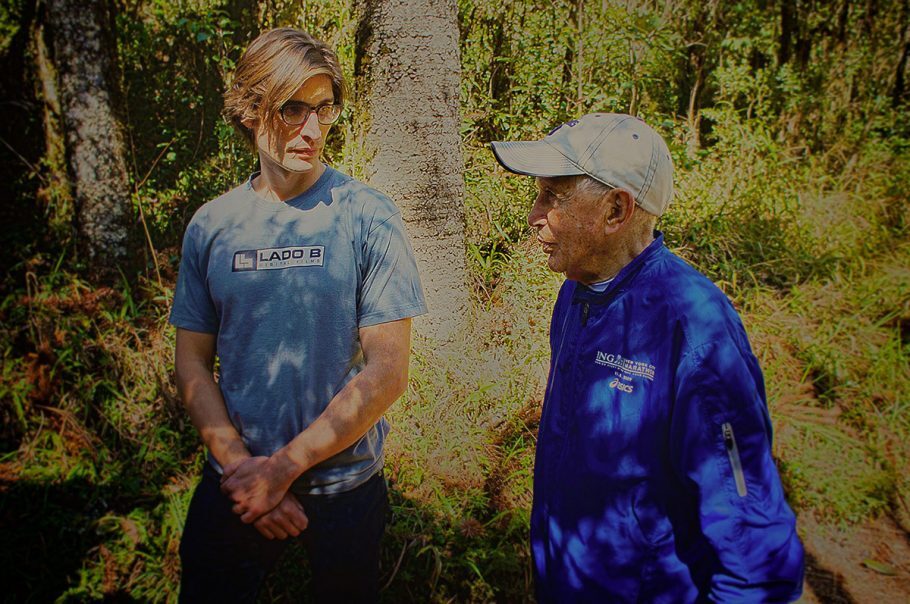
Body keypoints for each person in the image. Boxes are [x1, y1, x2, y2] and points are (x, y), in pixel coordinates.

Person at [490, 113, 805, 602]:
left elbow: (754, 547)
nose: (534, 215)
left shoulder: (696, 329)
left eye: (553, 195)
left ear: (616, 210)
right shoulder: (575, 295)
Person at [169, 28, 426, 603]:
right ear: (250, 108)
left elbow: (388, 373)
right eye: (293, 109)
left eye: (324, 108)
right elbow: (190, 363)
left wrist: (281, 469)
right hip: (234, 481)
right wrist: (244, 470)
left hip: (343, 488)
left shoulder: (367, 215)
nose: (313, 130)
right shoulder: (213, 226)